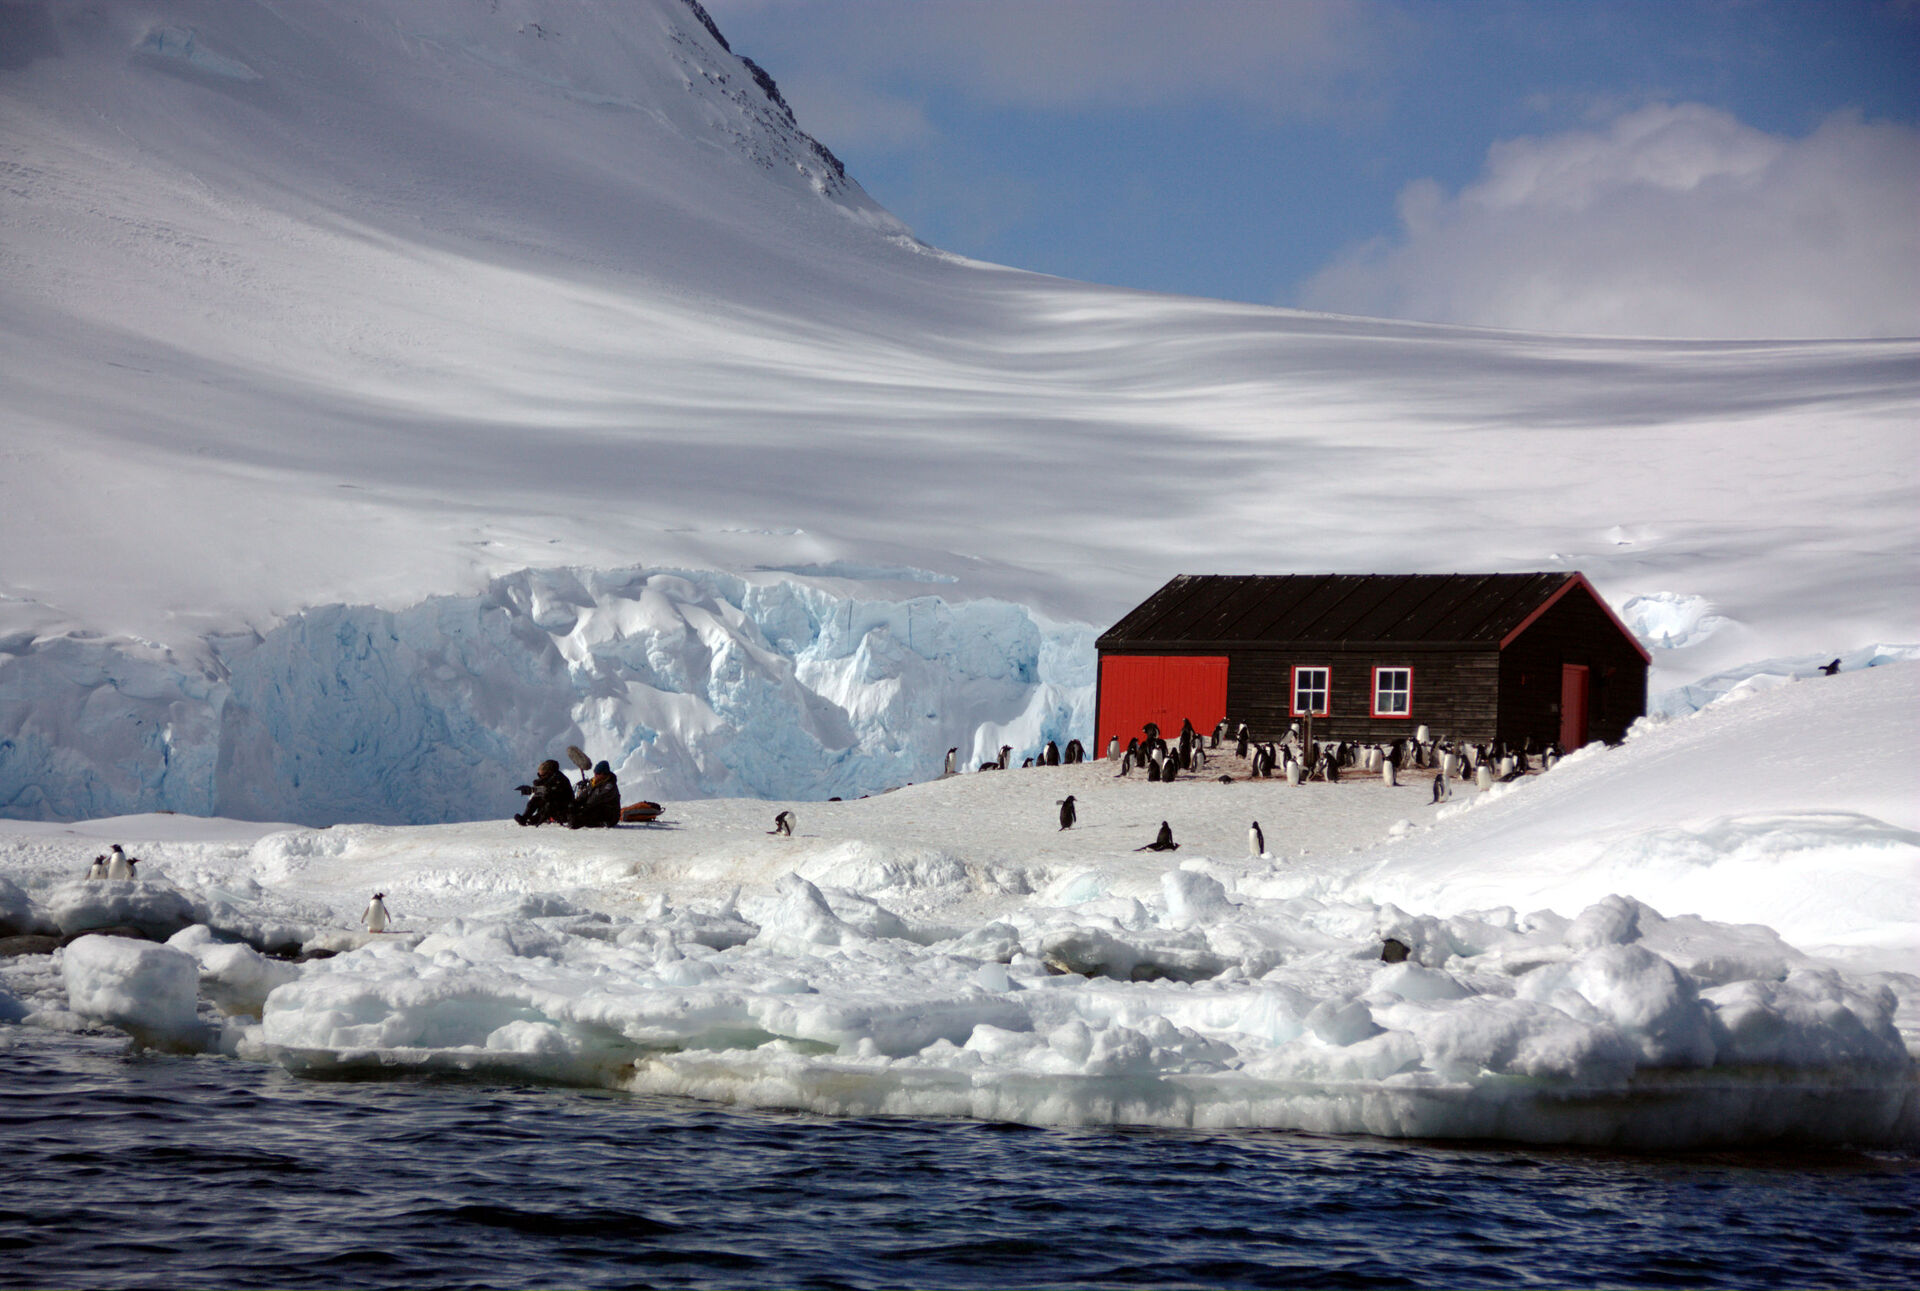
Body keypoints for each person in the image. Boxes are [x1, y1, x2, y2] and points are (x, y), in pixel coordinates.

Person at [514, 759, 575, 826]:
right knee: (535, 799)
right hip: (553, 806)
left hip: (562, 809)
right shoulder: (550, 778)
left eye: (542, 775)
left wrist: (534, 789)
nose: (540, 777)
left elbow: (550, 791)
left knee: (548, 802)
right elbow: (544, 789)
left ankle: (535, 819)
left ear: (549, 772)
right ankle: (525, 817)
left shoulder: (559, 779)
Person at [569, 761, 621, 829]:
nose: (595, 775)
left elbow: (597, 799)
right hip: (593, 808)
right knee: (573, 813)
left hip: (609, 815)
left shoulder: (610, 786)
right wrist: (575, 803)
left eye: (598, 773)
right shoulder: (594, 782)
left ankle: (601, 823)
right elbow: (584, 795)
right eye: (595, 772)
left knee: (580, 819)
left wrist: (582, 809)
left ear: (604, 774)